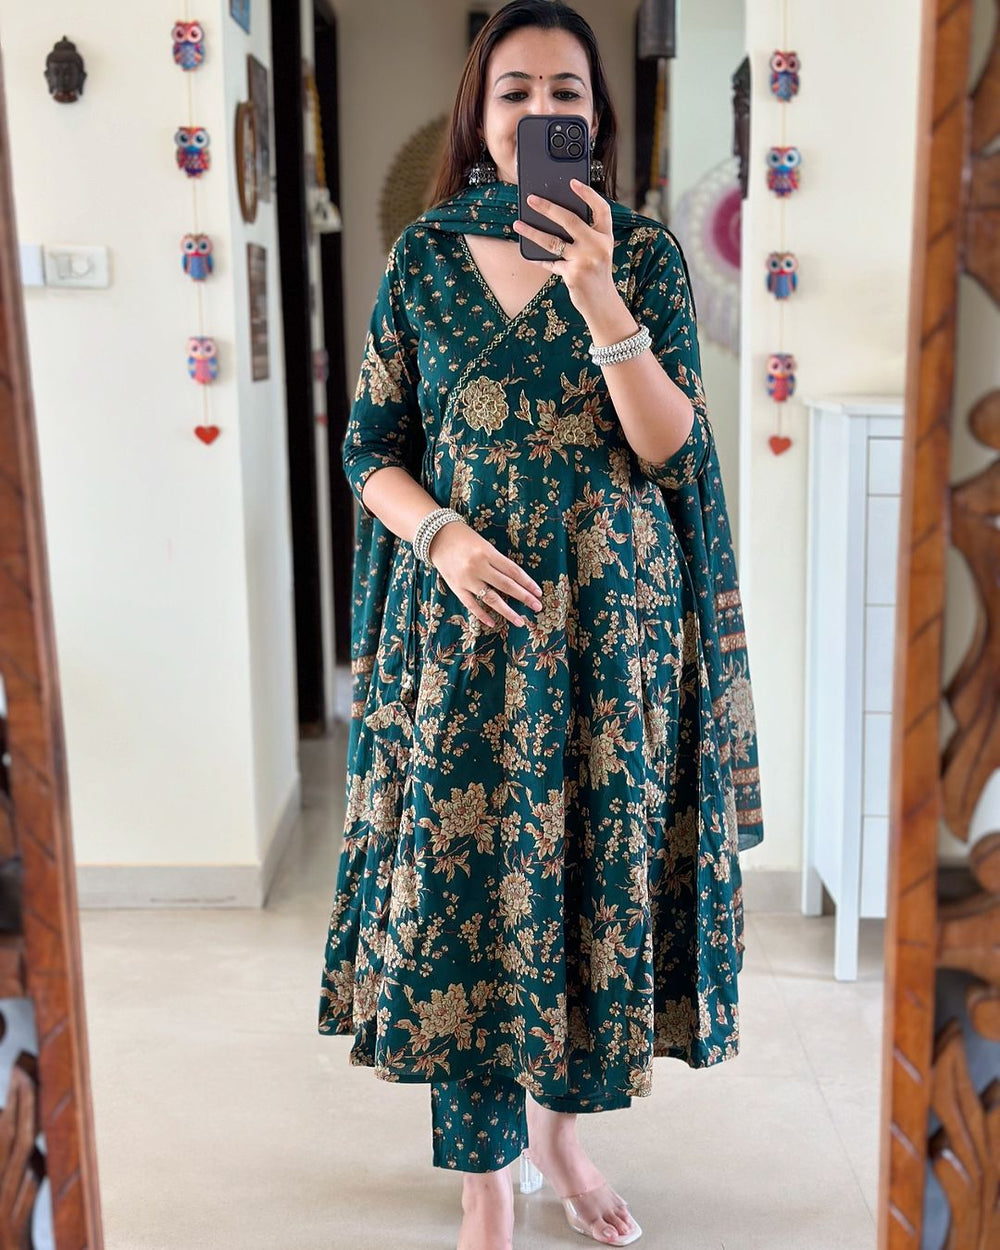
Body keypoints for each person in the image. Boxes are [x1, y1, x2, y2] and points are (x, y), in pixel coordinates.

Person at [318, 3, 764, 1247]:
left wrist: (597, 292)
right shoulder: (422, 258)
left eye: (564, 90)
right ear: (478, 114)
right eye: (513, 90)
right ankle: (483, 1180)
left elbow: (671, 449)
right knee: (465, 892)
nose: (539, 111)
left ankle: (562, 1136)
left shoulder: (644, 254)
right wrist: (442, 537)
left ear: (595, 116)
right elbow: (369, 447)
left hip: (613, 633)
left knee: (588, 883)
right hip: (464, 630)